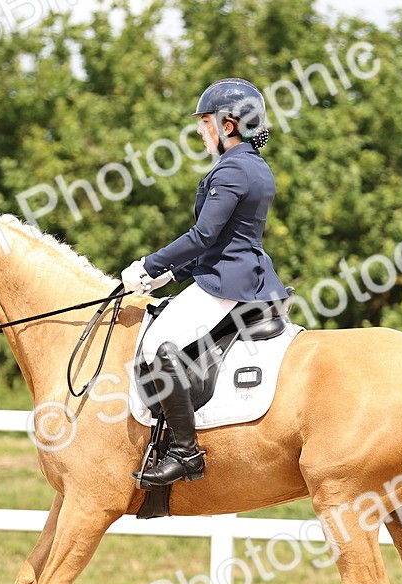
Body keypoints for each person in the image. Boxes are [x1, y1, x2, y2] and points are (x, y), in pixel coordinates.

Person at [121, 78, 286, 488]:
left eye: (205, 122)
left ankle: (185, 452)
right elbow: (223, 240)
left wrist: (146, 265)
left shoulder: (232, 169)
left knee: (160, 347)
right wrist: (169, 274)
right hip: (236, 271)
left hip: (227, 283)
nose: (199, 130)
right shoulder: (253, 165)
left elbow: (204, 236)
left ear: (228, 125)